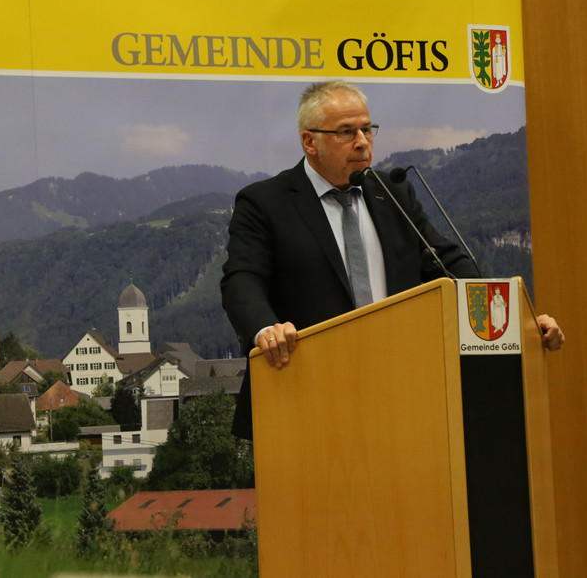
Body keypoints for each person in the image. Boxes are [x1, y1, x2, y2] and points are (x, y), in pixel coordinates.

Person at [221, 80, 564, 439]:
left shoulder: (392, 193)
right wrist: (266, 329)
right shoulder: (266, 202)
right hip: (306, 393)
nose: (362, 142)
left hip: (401, 391)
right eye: (346, 132)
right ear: (310, 142)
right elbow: (242, 279)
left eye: (367, 129)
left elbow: (448, 265)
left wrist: (519, 322)